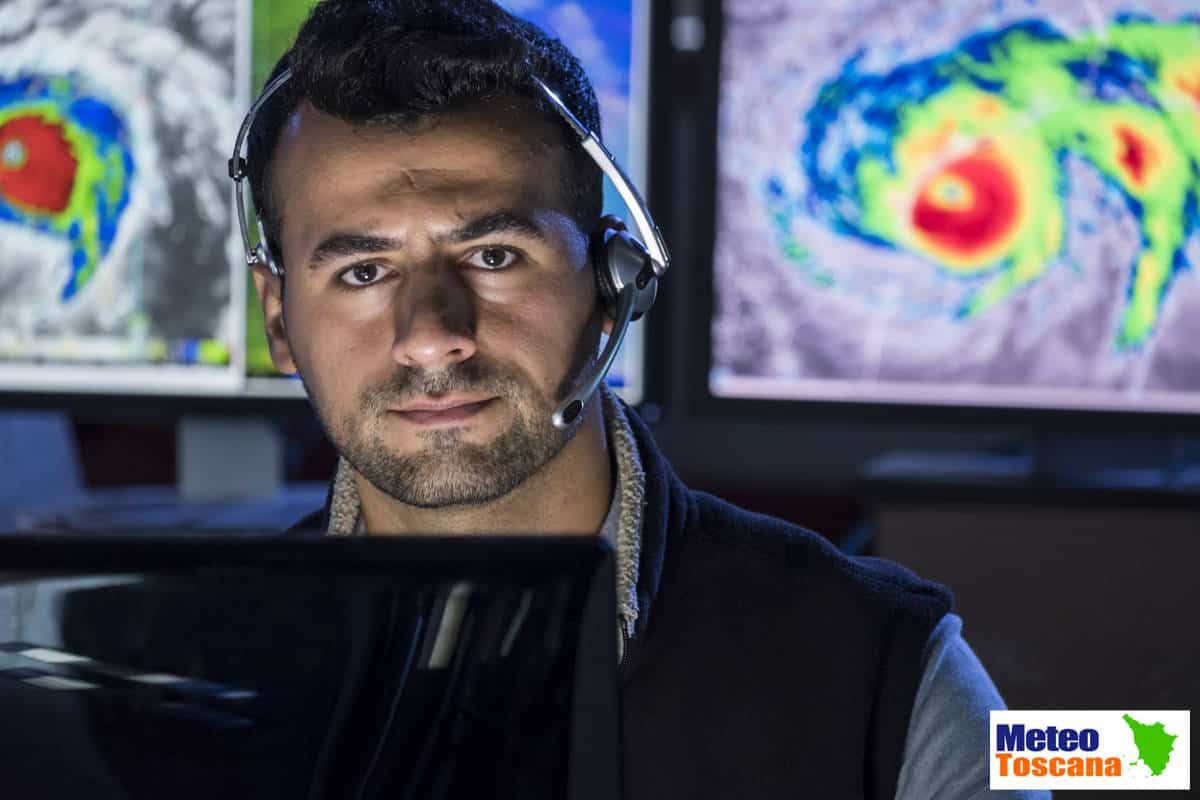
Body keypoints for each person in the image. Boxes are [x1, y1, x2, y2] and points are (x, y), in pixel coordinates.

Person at [240, 1, 1040, 797]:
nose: (430, 335)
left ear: (613, 287)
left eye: (492, 255)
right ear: (280, 321)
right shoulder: (187, 668)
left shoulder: (888, 671)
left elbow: (1134, 755)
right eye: (362, 272)